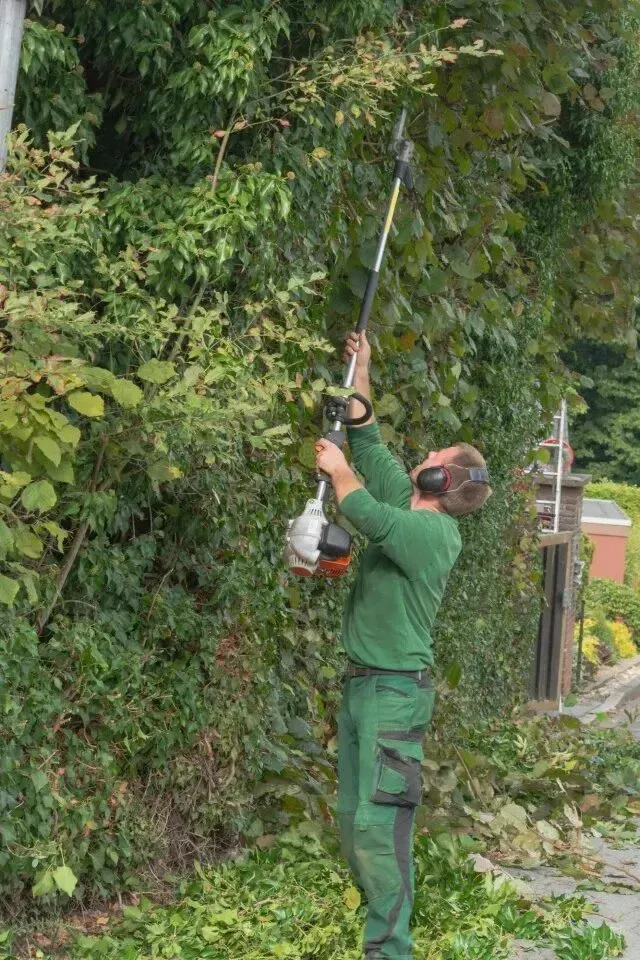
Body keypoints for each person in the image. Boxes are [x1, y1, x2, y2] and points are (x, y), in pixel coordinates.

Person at [314, 330, 492, 960]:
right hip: (363, 683)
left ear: (444, 477)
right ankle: (382, 941)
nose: (423, 455)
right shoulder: (405, 497)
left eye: (433, 455)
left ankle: (391, 953)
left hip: (395, 693)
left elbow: (373, 518)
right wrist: (361, 367)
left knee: (377, 829)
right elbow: (367, 439)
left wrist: (337, 475)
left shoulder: (434, 534)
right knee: (352, 828)